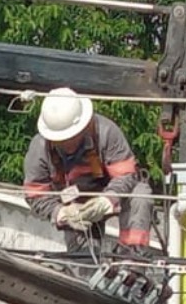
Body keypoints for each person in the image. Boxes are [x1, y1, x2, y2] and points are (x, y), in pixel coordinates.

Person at [23, 87, 157, 260]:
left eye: (71, 137)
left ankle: (132, 258)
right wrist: (61, 213)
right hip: (74, 206)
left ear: (83, 126)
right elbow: (35, 195)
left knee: (140, 194)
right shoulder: (40, 148)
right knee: (84, 265)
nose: (66, 143)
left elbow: (126, 175)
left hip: (112, 194)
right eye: (60, 139)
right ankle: (86, 270)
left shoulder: (106, 132)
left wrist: (106, 200)